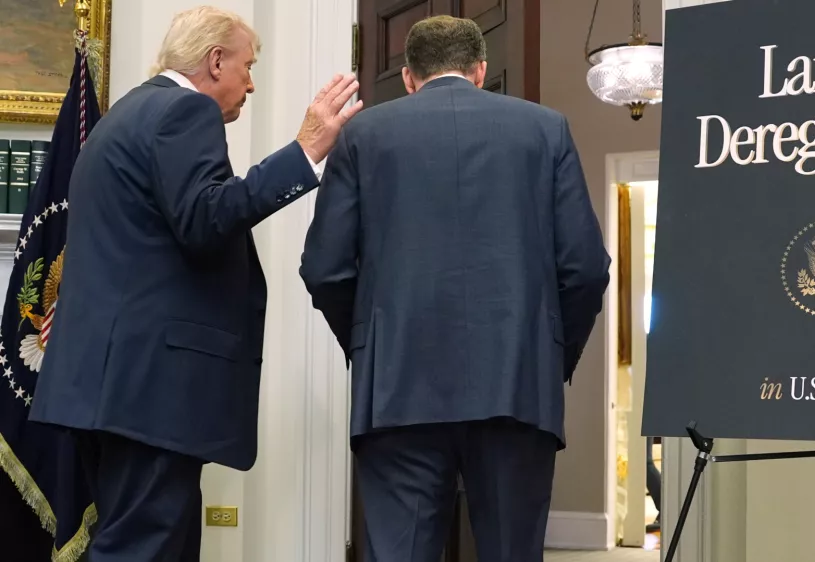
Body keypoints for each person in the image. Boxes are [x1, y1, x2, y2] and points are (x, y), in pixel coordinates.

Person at [28, 6, 363, 560]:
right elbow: (205, 219)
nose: (250, 83)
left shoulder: (128, 113)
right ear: (214, 61)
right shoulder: (183, 112)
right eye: (247, 67)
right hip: (148, 389)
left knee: (157, 543)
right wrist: (304, 151)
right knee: (143, 547)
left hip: (109, 385)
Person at [300, 14, 611, 562]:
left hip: (397, 389)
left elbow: (326, 268)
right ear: (482, 70)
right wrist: (550, 353)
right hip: (518, 384)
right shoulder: (546, 129)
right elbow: (584, 268)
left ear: (408, 78)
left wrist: (372, 345)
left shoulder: (363, 136)